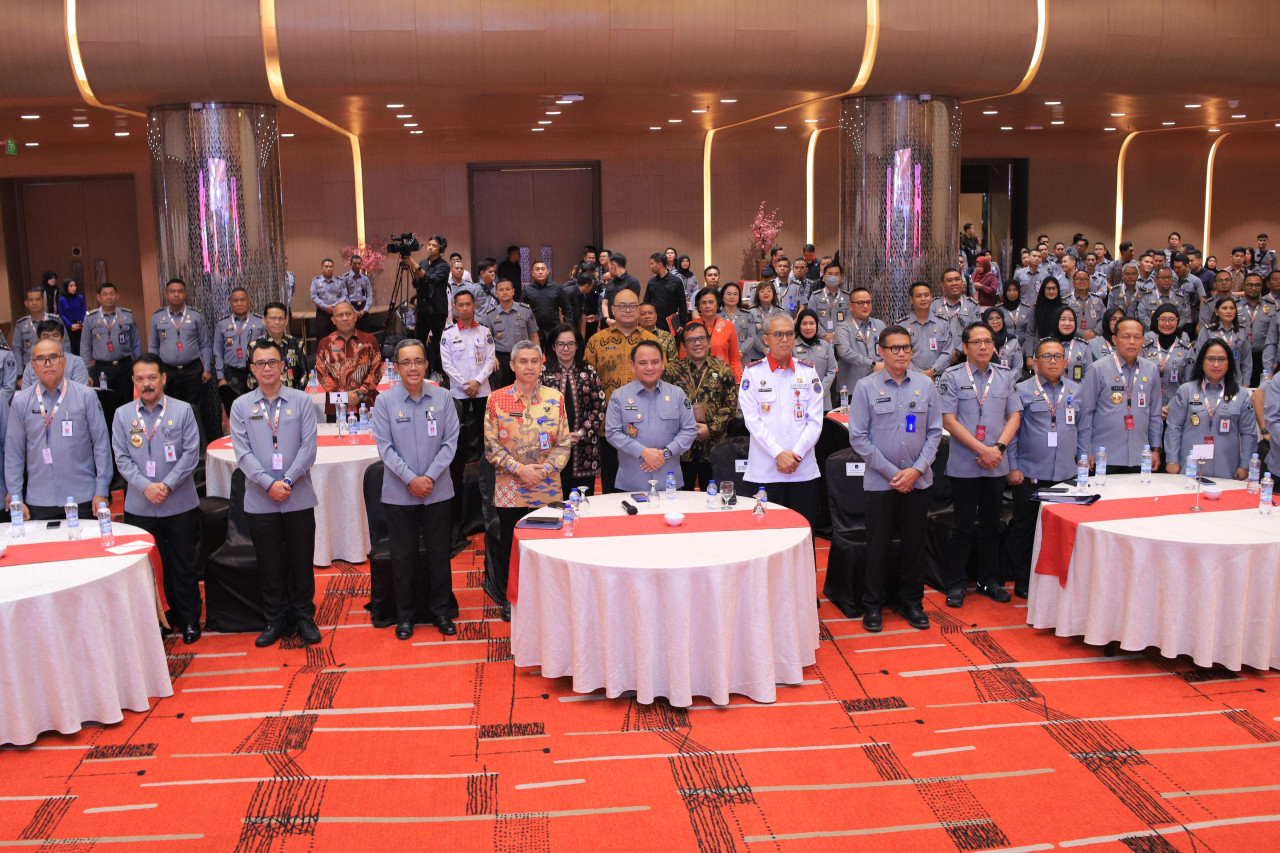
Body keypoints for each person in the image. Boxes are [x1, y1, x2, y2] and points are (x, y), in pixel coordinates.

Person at [847, 325, 943, 630]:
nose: (901, 353)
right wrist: (894, 473)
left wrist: (916, 470)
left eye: (906, 348)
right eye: (894, 348)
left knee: (915, 546)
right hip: (881, 482)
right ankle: (873, 606)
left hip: (918, 481)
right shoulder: (865, 387)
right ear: (881, 351)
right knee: (877, 547)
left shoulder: (925, 385)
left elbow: (935, 432)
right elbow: (858, 437)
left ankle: (912, 603)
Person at [229, 339, 320, 648]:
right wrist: (269, 484)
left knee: (301, 561)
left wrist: (288, 481)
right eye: (260, 363)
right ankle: (275, 619)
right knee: (269, 564)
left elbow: (309, 448)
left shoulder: (302, 401)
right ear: (252, 369)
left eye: (272, 362)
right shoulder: (241, 406)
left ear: (283, 366)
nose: (266, 368)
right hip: (260, 499)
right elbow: (243, 454)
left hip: (298, 496)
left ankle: (304, 616)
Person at [372, 338, 459, 640]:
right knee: (403, 556)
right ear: (396, 368)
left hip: (438, 491)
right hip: (400, 493)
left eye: (418, 361)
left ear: (426, 364)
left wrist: (429, 478)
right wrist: (411, 479)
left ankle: (441, 612)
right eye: (406, 362)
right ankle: (405, 616)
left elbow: (450, 443)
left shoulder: (443, 398)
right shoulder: (385, 401)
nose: (413, 367)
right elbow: (385, 448)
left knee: (439, 554)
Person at [111, 353, 202, 643]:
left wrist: (166, 485)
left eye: (152, 377)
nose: (146, 384)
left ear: (163, 378)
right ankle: (158, 622)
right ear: (133, 381)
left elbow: (191, 455)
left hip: (179, 502)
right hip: (140, 505)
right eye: (140, 379)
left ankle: (189, 620)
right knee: (150, 568)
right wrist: (146, 487)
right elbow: (122, 459)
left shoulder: (183, 410)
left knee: (184, 565)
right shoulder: (122, 415)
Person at [483, 341, 572, 621]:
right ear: (512, 365)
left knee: (548, 544)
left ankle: (549, 597)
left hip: (547, 487)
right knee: (512, 545)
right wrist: (520, 470)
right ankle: (512, 598)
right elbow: (491, 447)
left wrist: (542, 471)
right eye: (523, 361)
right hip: (511, 488)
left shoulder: (555, 398)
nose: (529, 366)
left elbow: (564, 443)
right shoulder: (496, 399)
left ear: (541, 364)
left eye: (535, 361)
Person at [939, 321, 1022, 607]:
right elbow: (948, 420)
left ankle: (990, 581)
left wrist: (997, 449)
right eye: (977, 342)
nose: (983, 346)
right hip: (965, 462)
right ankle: (956, 583)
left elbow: (1014, 416)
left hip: (996, 462)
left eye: (988, 341)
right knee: (962, 525)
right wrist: (982, 450)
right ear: (965, 347)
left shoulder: (1005, 375)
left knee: (991, 524)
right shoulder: (951, 376)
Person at [1004, 337, 1082, 599]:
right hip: (1030, 475)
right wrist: (1012, 466)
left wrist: (1084, 460)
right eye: (1046, 356)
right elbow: (1012, 432)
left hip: (1066, 476)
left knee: (1064, 532)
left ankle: (1059, 582)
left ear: (1066, 362)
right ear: (1035, 362)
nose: (1053, 361)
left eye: (1058, 356)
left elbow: (1084, 428)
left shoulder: (1076, 390)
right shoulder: (1021, 390)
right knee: (1025, 530)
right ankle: (1024, 580)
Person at [5, 338, 110, 520]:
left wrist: (101, 490)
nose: (47, 363)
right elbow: (13, 453)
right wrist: (16, 496)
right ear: (32, 365)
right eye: (40, 359)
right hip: (39, 500)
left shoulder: (86, 396)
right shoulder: (21, 402)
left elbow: (101, 445)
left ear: (64, 361)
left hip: (83, 496)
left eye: (53, 357)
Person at [737, 314, 825, 525]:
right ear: (765, 339)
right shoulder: (752, 373)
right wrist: (778, 454)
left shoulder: (808, 372)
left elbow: (815, 421)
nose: (784, 339)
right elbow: (752, 421)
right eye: (778, 334)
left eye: (789, 334)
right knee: (767, 534)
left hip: (802, 471)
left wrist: (796, 455)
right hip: (765, 473)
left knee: (804, 532)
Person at [583, 289, 657, 492]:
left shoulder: (651, 341)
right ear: (613, 310)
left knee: (645, 484)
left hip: (645, 425)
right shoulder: (597, 341)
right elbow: (587, 382)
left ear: (638, 309)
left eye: (632, 306)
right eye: (622, 306)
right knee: (611, 486)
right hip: (609, 426)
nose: (627, 310)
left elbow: (662, 378)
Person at [605, 339, 698, 493]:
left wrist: (665, 454)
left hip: (669, 483)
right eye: (643, 363)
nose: (649, 367)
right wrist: (643, 452)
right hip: (632, 483)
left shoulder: (677, 394)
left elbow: (689, 430)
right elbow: (612, 433)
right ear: (633, 366)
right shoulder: (619, 396)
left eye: (655, 362)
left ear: (663, 364)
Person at [1078, 316, 1164, 474]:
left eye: (1137, 337)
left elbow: (1155, 414)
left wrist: (1156, 449)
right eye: (1126, 337)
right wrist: (1085, 450)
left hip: (1140, 455)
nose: (1132, 342)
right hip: (1103, 456)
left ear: (1143, 340)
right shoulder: (1097, 369)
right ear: (1115, 340)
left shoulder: (1151, 369)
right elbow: (1086, 413)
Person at [1164, 340, 1257, 481]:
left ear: (1229, 363)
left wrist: (1245, 465)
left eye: (1222, 359)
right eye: (1211, 359)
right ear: (1202, 362)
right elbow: (1173, 427)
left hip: (1227, 469)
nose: (1216, 364)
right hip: (1189, 469)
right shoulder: (1186, 391)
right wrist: (1171, 460)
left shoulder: (1241, 394)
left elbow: (1248, 433)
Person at [663, 321, 738, 491]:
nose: (697, 343)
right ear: (683, 346)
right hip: (682, 447)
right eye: (691, 340)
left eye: (701, 338)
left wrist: (710, 428)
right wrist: (687, 430)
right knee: (680, 497)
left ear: (709, 341)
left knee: (712, 497)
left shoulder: (723, 369)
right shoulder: (672, 370)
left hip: (714, 446)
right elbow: (664, 405)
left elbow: (730, 404)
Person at [439, 289, 497, 493]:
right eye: (461, 305)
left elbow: (490, 360)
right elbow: (447, 365)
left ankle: (486, 467)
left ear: (474, 306)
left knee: (485, 430)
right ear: (455, 308)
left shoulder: (484, 332)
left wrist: (477, 382)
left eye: (468, 304)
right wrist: (466, 384)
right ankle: (458, 468)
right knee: (457, 431)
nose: (464, 308)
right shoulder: (448, 334)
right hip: (459, 392)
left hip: (482, 390)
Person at [540, 324, 605, 498]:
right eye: (560, 344)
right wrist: (560, 436)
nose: (566, 348)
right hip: (551, 448)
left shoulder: (588, 372)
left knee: (584, 501)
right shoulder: (543, 373)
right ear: (553, 346)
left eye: (571, 344)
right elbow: (535, 410)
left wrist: (581, 432)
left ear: (577, 346)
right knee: (554, 502)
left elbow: (599, 406)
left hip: (585, 447)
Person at [149, 279, 213, 442]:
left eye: (180, 291)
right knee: (168, 408)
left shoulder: (196, 315)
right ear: (166, 294)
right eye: (172, 291)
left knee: (194, 409)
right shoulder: (158, 317)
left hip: (192, 370)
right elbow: (153, 346)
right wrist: (154, 372)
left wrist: (207, 369)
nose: (176, 295)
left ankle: (197, 446)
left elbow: (205, 344)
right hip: (167, 371)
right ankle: (172, 443)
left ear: (185, 294)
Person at [314, 302, 380, 421]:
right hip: (336, 408)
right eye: (340, 315)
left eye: (348, 314)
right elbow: (322, 374)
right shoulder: (325, 344)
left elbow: (376, 372)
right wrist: (345, 396)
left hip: (365, 407)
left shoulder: (369, 341)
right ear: (333, 320)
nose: (344, 318)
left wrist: (359, 394)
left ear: (355, 317)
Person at [81, 282, 141, 399]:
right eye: (105, 294)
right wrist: (85, 371)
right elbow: (85, 346)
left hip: (125, 366)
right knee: (104, 402)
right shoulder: (90, 318)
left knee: (126, 401)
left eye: (112, 294)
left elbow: (136, 343)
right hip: (102, 369)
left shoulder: (127, 315)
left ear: (117, 296)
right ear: (98, 297)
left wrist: (139, 366)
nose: (109, 297)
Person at [213, 287, 267, 416]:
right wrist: (221, 378)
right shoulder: (222, 324)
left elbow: (266, 349)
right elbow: (218, 353)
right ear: (230, 303)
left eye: (242, 300)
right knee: (235, 412)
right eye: (235, 301)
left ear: (249, 301)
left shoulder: (260, 322)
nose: (239, 303)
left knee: (256, 410)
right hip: (232, 374)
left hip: (255, 373)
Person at [480, 278, 538, 389]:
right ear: (496, 293)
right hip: (502, 359)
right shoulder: (490, 315)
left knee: (526, 387)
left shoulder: (525, 310)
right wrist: (492, 357)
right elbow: (487, 341)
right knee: (504, 390)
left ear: (513, 291)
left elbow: (534, 335)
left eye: (507, 289)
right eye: (501, 290)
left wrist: (537, 357)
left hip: (524, 356)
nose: (505, 292)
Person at [407, 235, 451, 373]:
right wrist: (417, 271)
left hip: (437, 309)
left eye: (434, 245)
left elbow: (432, 279)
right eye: (429, 244)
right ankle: (422, 370)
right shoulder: (423, 263)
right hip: (422, 308)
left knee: (437, 343)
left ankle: (439, 372)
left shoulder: (444, 266)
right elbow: (415, 283)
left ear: (440, 248)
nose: (430, 247)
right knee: (419, 341)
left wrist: (414, 265)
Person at [835, 286, 886, 398]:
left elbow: (888, 350)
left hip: (878, 385)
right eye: (861, 303)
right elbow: (845, 352)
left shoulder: (880, 325)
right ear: (851, 306)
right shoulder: (843, 327)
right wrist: (872, 364)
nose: (865, 306)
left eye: (868, 302)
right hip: (851, 388)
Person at [1142, 305, 1197, 409]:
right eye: (1163, 319)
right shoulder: (1146, 346)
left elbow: (1189, 381)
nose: (1167, 323)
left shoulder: (1185, 348)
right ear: (1157, 321)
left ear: (1177, 321)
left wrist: (1171, 407)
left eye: (1172, 319)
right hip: (1149, 405)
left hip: (1178, 406)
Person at [248, 303, 309, 391]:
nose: (277, 322)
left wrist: (294, 396)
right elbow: (251, 379)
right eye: (273, 318)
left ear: (286, 320)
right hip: (264, 397)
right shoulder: (254, 346)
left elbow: (304, 375)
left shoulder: (297, 344)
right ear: (264, 320)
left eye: (280, 318)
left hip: (293, 397)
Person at [898, 282, 952, 379]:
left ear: (931, 297)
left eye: (926, 295)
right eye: (918, 296)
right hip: (909, 378)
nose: (923, 299)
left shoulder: (943, 323)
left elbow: (947, 352)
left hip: (938, 377)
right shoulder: (901, 325)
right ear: (911, 299)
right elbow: (899, 354)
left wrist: (932, 371)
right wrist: (919, 375)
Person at [13, 286, 68, 377]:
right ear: (26, 303)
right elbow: (16, 350)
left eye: (37, 299)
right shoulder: (21, 325)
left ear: (44, 301)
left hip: (53, 368)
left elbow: (65, 344)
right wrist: (19, 374)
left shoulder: (55, 320)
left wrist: (66, 369)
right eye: (31, 300)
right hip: (29, 371)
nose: (34, 303)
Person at [1196, 296, 1252, 387]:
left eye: (1232, 308)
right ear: (1217, 311)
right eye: (1224, 308)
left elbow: (1247, 361)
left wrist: (1246, 384)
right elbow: (1199, 358)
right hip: (1212, 382)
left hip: (1236, 381)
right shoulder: (1208, 331)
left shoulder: (1241, 331)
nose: (1229, 311)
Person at [690, 287, 743, 382]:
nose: (707, 306)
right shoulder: (690, 327)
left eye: (711, 302)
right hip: (696, 379)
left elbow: (735, 359)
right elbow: (684, 356)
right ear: (699, 306)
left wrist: (737, 380)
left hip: (723, 378)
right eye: (703, 303)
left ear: (718, 305)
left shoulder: (728, 326)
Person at [20, 320, 89, 388]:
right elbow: (26, 393)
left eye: (55, 335)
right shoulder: (31, 365)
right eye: (46, 336)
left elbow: (79, 391)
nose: (51, 339)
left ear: (62, 339)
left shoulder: (76, 362)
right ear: (39, 339)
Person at [793, 309, 838, 410]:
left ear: (816, 325)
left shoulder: (825, 346)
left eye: (812, 323)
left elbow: (832, 370)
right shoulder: (792, 346)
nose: (808, 327)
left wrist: (819, 391)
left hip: (822, 401)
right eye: (804, 323)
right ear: (799, 325)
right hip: (799, 400)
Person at [932, 267, 981, 353]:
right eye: (949, 280)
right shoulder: (934, 305)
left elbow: (976, 332)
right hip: (938, 355)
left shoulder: (972, 305)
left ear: (962, 283)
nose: (954, 283)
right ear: (943, 285)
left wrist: (958, 352)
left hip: (964, 355)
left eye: (957, 279)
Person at [521, 260, 567, 346]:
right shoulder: (527, 290)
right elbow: (522, 312)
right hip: (534, 332)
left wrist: (566, 328)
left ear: (548, 271)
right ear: (532, 273)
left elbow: (567, 309)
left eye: (543, 269)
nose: (540, 272)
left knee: (554, 354)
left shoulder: (557, 288)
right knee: (536, 354)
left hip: (554, 330)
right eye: (537, 269)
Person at [1237, 273, 1271, 386]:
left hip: (1262, 358)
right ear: (1243, 286)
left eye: (1257, 285)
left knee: (1261, 390)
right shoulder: (1233, 306)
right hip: (1239, 357)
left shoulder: (1271, 307)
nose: (1254, 288)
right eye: (1250, 285)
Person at [643, 252, 688, 334]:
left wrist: (683, 323)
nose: (650, 266)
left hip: (671, 324)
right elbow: (646, 302)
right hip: (654, 324)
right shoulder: (651, 282)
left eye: (652, 264)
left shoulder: (676, 281)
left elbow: (682, 304)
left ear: (659, 265)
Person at [744, 280, 787, 363]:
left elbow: (783, 333)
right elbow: (751, 335)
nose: (765, 293)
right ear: (757, 294)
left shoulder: (780, 312)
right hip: (756, 354)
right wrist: (763, 349)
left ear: (774, 294)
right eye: (762, 291)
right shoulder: (751, 312)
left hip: (776, 353)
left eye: (769, 291)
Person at [807, 263, 850, 342]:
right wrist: (825, 337)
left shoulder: (847, 297)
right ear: (824, 277)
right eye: (830, 274)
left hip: (842, 340)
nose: (833, 277)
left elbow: (849, 320)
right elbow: (811, 319)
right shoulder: (815, 297)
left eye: (836, 274)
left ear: (841, 278)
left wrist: (835, 336)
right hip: (820, 341)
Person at [1046, 305, 1090, 384]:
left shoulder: (1083, 347)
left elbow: (1088, 376)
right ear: (1056, 322)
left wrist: (1075, 390)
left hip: (1078, 391)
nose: (1067, 323)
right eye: (1063, 319)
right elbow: (1040, 373)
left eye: (1071, 320)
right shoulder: (1045, 346)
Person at [600, 253, 641, 327]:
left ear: (614, 265)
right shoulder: (610, 282)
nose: (609, 270)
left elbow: (633, 306)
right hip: (609, 323)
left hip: (626, 324)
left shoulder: (632, 281)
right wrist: (607, 318)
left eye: (609, 267)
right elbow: (605, 303)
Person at [309, 258, 347, 339]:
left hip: (336, 312)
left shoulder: (339, 281)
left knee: (337, 336)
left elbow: (344, 295)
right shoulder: (316, 281)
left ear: (333, 268)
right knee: (322, 337)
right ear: (321, 268)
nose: (328, 268)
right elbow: (314, 296)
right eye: (326, 267)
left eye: (330, 267)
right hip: (322, 313)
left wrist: (334, 306)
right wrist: (326, 307)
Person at [1031, 277, 1065, 367]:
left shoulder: (1064, 308)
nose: (1051, 291)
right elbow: (1030, 333)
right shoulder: (1035, 308)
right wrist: (1029, 356)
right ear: (1043, 290)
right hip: (1040, 348)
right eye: (1048, 288)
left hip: (1060, 350)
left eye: (1054, 288)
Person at [719, 281, 755, 364]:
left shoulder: (747, 315)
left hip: (742, 357)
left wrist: (740, 352)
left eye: (735, 294)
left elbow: (751, 336)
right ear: (722, 297)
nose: (732, 297)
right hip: (722, 358)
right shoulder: (717, 316)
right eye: (728, 294)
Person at [1064, 269, 1106, 341]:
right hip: (1073, 339)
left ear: (1089, 282)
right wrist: (1082, 333)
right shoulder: (1066, 301)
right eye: (1078, 279)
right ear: (1073, 282)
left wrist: (1094, 332)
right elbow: (1064, 322)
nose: (1082, 281)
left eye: (1085, 279)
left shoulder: (1097, 299)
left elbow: (1104, 318)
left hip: (1095, 338)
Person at [997, 280, 1035, 360]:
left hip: (1025, 350)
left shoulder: (1027, 309)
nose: (1012, 293)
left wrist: (1025, 351)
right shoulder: (999, 310)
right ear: (1005, 292)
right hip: (1004, 351)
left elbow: (1030, 333)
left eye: (1015, 290)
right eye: (1009, 290)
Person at [983, 306, 1023, 372]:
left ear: (1003, 320)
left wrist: (1006, 378)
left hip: (1009, 377)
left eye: (998, 318)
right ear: (985, 321)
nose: (995, 321)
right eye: (990, 318)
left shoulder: (1012, 341)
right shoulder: (980, 341)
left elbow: (1017, 368)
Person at [343, 253, 374, 327]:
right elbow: (344, 296)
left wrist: (365, 310)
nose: (357, 265)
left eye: (359, 263)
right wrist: (354, 311)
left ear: (361, 264)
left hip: (363, 307)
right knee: (353, 331)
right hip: (351, 307)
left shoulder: (365, 278)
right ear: (350, 264)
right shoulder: (345, 278)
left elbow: (369, 295)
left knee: (365, 331)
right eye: (354, 263)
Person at [57, 279, 86, 355]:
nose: (73, 288)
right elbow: (61, 314)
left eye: (74, 286)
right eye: (71, 286)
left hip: (80, 325)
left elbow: (83, 310)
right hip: (69, 326)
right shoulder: (62, 299)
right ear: (66, 287)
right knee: (71, 346)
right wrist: (70, 325)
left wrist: (81, 323)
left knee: (81, 345)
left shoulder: (80, 297)